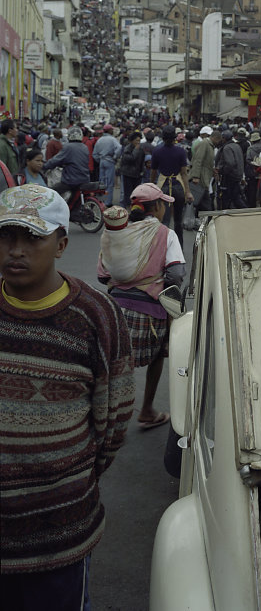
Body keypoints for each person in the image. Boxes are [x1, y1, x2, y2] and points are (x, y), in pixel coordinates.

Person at [0, 184, 134, 608]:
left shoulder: (95, 314)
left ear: (61, 244)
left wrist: (69, 476)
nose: (15, 251)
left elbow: (113, 421)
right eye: (6, 237)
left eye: (32, 238)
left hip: (59, 534)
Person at [97, 182, 185, 430]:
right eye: (163, 205)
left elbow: (103, 276)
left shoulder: (116, 232)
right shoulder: (166, 234)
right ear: (156, 207)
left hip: (113, 311)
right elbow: (176, 274)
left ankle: (106, 416)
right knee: (159, 353)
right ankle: (146, 409)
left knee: (113, 363)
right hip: (149, 314)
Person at [150, 125, 193, 248]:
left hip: (163, 186)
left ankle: (163, 248)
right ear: (175, 138)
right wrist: (188, 192)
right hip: (178, 186)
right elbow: (184, 173)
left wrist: (152, 186)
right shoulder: (180, 151)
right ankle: (179, 248)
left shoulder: (157, 151)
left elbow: (153, 172)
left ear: (163, 138)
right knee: (178, 221)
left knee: (164, 220)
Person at [42, 126, 91, 203]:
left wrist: (44, 166)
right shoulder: (84, 147)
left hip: (71, 180)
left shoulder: (68, 147)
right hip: (85, 179)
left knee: (51, 192)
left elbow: (55, 160)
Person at [188, 128, 222, 222]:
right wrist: (196, 176)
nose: (218, 143)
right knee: (205, 202)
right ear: (215, 138)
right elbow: (198, 160)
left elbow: (207, 162)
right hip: (201, 178)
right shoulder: (205, 144)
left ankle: (202, 220)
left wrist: (213, 170)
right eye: (218, 140)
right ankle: (209, 221)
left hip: (205, 177)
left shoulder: (209, 145)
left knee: (202, 201)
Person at [92, 124, 122, 206]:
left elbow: (94, 154)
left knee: (102, 182)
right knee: (109, 183)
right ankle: (108, 202)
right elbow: (119, 148)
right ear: (109, 130)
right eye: (111, 130)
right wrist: (115, 157)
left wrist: (100, 160)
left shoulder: (100, 140)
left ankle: (102, 201)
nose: (113, 131)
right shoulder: (112, 139)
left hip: (102, 162)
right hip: (109, 161)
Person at [216, 130, 246, 209]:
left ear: (224, 138)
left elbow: (230, 163)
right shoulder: (236, 146)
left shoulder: (227, 148)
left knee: (227, 198)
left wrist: (223, 171)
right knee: (235, 197)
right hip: (237, 176)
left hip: (230, 177)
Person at [119, 130, 145, 209]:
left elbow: (141, 161)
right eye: (136, 140)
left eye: (139, 140)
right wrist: (136, 150)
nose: (138, 142)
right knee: (128, 194)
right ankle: (128, 208)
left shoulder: (140, 149)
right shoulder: (127, 149)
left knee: (137, 194)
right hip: (128, 174)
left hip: (137, 174)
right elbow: (131, 159)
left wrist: (142, 171)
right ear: (132, 141)